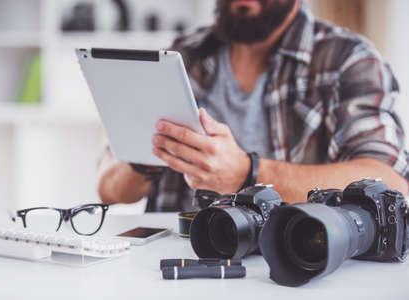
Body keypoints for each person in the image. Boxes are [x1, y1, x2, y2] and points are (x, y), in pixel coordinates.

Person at [98, 0, 409, 211]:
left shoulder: (347, 60)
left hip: (297, 270)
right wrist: (151, 153)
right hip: (177, 268)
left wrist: (248, 174)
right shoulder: (183, 55)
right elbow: (109, 189)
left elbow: (391, 187)